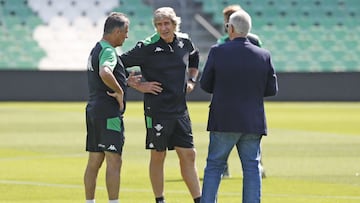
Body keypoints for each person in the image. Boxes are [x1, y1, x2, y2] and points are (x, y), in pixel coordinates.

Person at [121, 7, 202, 203]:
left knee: (189, 154)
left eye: (166, 23)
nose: (163, 28)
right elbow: (118, 63)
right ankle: (160, 200)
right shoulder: (146, 46)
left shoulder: (185, 42)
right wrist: (136, 85)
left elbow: (194, 57)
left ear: (175, 24)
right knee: (158, 155)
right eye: (159, 24)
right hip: (157, 110)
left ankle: (199, 200)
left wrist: (191, 80)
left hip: (180, 109)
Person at [200, 9, 278, 203]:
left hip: (224, 120)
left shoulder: (217, 51)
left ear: (231, 28)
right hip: (252, 121)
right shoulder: (264, 55)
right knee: (252, 168)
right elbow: (272, 89)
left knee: (214, 166)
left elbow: (205, 85)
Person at [83, 12, 129, 203]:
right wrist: (120, 91)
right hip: (108, 113)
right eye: (125, 32)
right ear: (117, 31)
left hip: (93, 109)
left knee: (94, 160)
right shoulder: (109, 51)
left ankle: (89, 201)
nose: (126, 36)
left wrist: (125, 81)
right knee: (114, 160)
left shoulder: (96, 48)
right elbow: (105, 72)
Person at [218, 4, 265, 179]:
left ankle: (223, 169)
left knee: (224, 136)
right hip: (251, 98)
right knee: (253, 135)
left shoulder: (221, 44)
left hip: (228, 99)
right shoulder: (255, 40)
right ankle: (258, 166)